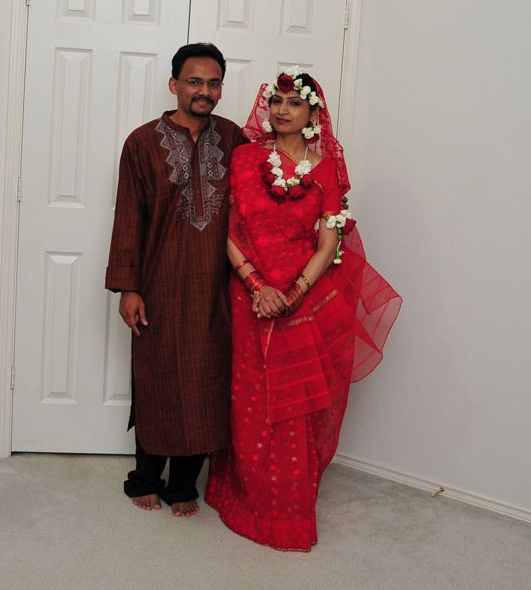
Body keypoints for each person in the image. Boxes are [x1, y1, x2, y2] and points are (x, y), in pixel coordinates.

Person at [205, 66, 402, 550]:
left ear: (313, 114)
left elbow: (329, 244)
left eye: (294, 103)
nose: (282, 110)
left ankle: (286, 511)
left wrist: (291, 295)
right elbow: (224, 229)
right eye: (276, 101)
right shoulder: (244, 158)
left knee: (295, 405)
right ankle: (242, 495)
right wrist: (257, 285)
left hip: (303, 299)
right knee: (250, 397)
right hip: (249, 295)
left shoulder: (326, 170)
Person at [105, 42, 246, 518]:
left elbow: (257, 205)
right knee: (158, 377)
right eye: (194, 81)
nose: (204, 90)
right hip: (159, 282)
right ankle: (145, 478)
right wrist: (129, 286)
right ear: (174, 85)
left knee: (207, 380)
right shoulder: (142, 143)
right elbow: (130, 217)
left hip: (215, 286)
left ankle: (183, 483)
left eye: (213, 83)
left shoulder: (234, 139)